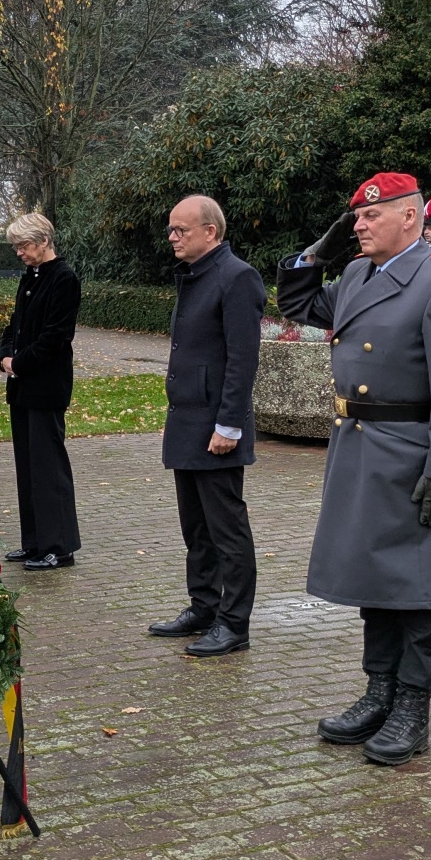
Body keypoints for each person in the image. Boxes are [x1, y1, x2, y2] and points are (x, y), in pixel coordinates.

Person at [277, 172, 431, 766]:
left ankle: (412, 707)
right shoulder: (354, 276)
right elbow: (295, 302)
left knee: (418, 589)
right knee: (377, 582)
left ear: (411, 218)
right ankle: (380, 691)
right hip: (360, 450)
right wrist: (320, 251)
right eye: (355, 218)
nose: (359, 225)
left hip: (412, 454)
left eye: (370, 217)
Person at [147, 194, 265, 659]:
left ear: (210, 232)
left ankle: (234, 623)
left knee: (226, 529)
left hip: (217, 426)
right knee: (195, 527)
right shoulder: (195, 275)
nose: (173, 238)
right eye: (172, 230)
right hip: (188, 419)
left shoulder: (237, 277)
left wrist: (229, 425)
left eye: (181, 230)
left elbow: (242, 360)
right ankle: (204, 606)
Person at [0, 212, 82, 572]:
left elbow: (56, 335)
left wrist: (19, 363)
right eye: (16, 246)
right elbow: (17, 324)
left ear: (43, 241)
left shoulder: (63, 279)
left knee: (48, 467)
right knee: (28, 466)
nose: (19, 252)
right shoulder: (29, 277)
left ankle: (59, 546)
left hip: (45, 385)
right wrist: (3, 353)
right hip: (22, 386)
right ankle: (33, 541)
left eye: (23, 245)